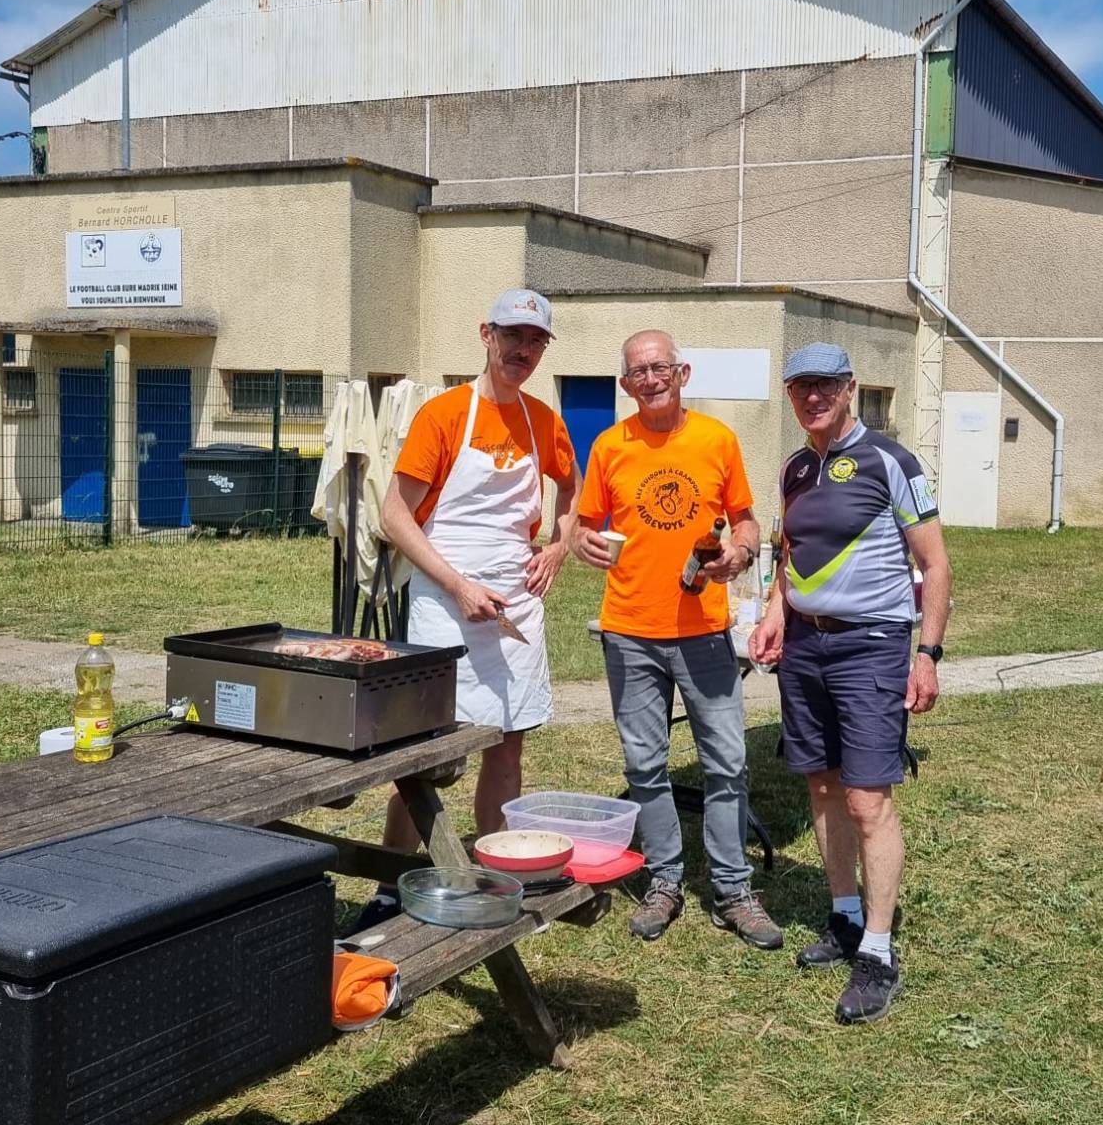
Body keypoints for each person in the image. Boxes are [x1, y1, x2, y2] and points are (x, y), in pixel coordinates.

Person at [353, 290, 580, 934]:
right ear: (486, 334)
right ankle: (391, 883)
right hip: (445, 601)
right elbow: (395, 516)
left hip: (517, 602)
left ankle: (494, 877)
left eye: (535, 341)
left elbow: (572, 487)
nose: (522, 350)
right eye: (512, 335)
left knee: (507, 746)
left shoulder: (544, 421)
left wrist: (558, 547)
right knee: (424, 754)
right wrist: (457, 585)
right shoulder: (444, 415)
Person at [747, 342, 952, 1024]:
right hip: (806, 648)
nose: (813, 397)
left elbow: (936, 564)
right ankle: (843, 918)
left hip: (872, 646)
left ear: (850, 388)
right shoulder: (794, 468)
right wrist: (776, 613)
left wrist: (927, 655)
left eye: (825, 385)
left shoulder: (891, 461)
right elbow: (790, 554)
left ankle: (879, 951)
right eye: (800, 386)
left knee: (867, 800)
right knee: (823, 785)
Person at [572, 330, 782, 949]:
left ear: (682, 373)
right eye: (638, 372)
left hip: (704, 632)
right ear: (625, 384)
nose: (651, 379)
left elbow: (745, 521)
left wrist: (741, 553)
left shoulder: (717, 439)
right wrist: (583, 543)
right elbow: (583, 527)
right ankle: (664, 880)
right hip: (629, 631)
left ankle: (733, 890)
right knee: (645, 764)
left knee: (728, 763)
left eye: (660, 367)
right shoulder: (609, 446)